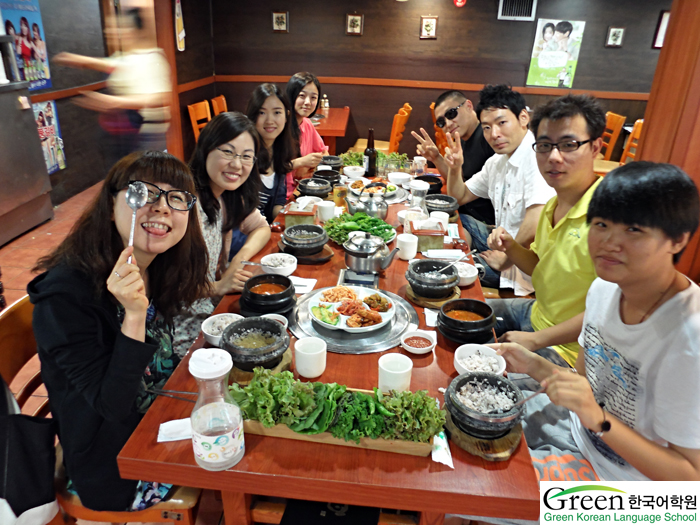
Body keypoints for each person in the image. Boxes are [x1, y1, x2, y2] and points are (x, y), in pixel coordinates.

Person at [28, 150, 209, 511]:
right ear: (111, 205)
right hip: (116, 464)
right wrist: (134, 315)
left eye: (176, 198)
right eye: (143, 193)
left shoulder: (156, 265)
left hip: (160, 416)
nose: (161, 208)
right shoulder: (64, 296)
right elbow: (111, 406)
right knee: (245, 453)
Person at [498, 161, 700, 482]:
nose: (609, 242)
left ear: (677, 240)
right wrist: (534, 365)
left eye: (633, 229)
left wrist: (599, 419)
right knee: (465, 426)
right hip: (575, 432)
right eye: (601, 224)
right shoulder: (604, 288)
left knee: (482, 492)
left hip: (629, 489)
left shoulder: (689, 339)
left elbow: (689, 477)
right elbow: (584, 384)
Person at [486, 95, 605, 368]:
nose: (554, 156)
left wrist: (536, 340)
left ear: (595, 146)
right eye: (544, 145)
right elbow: (537, 266)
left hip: (567, 351)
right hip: (535, 314)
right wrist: (511, 247)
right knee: (453, 317)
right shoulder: (553, 205)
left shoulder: (609, 220)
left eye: (568, 145)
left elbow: (606, 314)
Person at [173, 112, 271, 356]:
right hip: (182, 333)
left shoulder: (225, 195)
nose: (237, 164)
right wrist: (215, 287)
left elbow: (261, 227)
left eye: (246, 157)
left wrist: (236, 264)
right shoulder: (183, 204)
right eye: (228, 152)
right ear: (206, 148)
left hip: (213, 314)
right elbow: (164, 285)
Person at [444, 84, 555, 295]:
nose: (494, 134)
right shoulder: (497, 162)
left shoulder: (537, 159)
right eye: (486, 127)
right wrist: (455, 167)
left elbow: (534, 224)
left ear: (523, 118)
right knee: (458, 221)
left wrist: (505, 260)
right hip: (501, 246)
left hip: (520, 269)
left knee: (447, 268)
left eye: (502, 123)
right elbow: (459, 197)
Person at [54, 7, 172, 171]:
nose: (111, 32)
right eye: (111, 27)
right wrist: (78, 60)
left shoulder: (153, 58)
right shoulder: (125, 57)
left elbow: (160, 98)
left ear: (134, 31)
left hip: (147, 136)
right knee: (121, 179)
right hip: (121, 136)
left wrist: (115, 102)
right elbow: (109, 64)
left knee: (142, 180)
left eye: (118, 28)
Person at [412, 90, 495, 225]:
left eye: (451, 114)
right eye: (441, 122)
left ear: (468, 106)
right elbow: (458, 182)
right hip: (463, 212)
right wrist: (436, 158)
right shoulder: (461, 139)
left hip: (482, 222)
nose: (448, 124)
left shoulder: (489, 138)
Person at [246, 83, 295, 224]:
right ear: (252, 116)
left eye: (277, 112)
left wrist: (284, 220)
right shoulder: (246, 154)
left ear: (287, 116)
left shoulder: (279, 150)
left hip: (266, 232)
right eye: (262, 113)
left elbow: (278, 200)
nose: (269, 120)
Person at [285, 72, 326, 199]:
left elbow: (323, 152)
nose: (308, 102)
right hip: (282, 195)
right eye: (302, 96)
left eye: (313, 98)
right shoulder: (280, 126)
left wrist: (307, 165)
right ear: (292, 96)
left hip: (300, 190)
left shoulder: (307, 123)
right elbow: (270, 168)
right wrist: (301, 162)